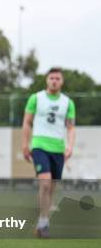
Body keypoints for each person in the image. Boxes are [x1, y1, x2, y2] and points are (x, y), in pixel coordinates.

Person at [22, 67, 75, 238]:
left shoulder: (68, 102)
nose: (54, 81)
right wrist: (25, 144)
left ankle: (43, 221)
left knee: (52, 187)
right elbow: (27, 122)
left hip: (58, 148)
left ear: (62, 81)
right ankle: (43, 223)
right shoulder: (36, 98)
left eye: (57, 78)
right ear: (47, 80)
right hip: (39, 145)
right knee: (45, 182)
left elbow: (71, 127)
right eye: (51, 77)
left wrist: (70, 146)